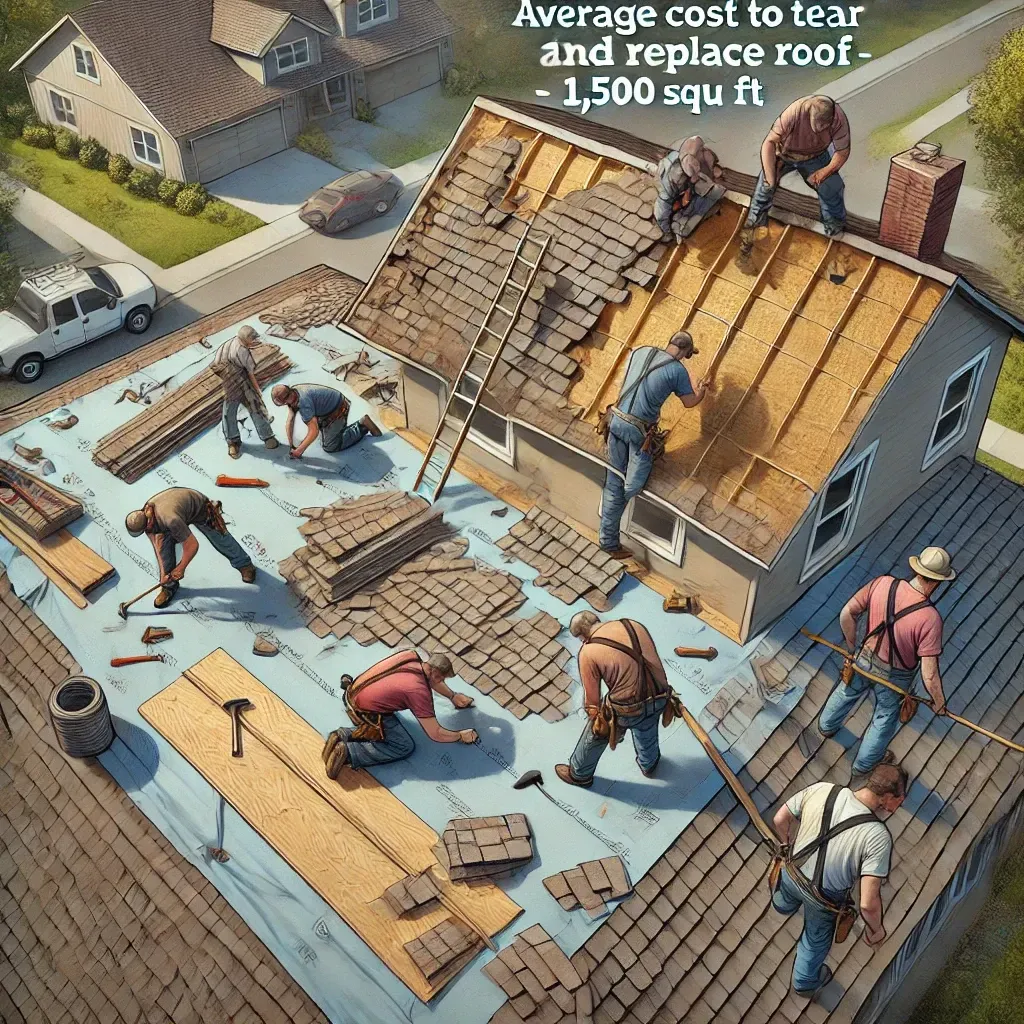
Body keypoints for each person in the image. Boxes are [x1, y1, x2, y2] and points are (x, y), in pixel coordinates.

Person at [771, 764, 906, 997]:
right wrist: (877, 930)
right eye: (899, 799)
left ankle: (782, 905)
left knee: (784, 896)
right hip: (823, 900)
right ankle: (804, 982)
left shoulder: (823, 789)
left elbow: (780, 818)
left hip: (791, 874)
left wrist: (786, 846)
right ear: (886, 798)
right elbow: (867, 903)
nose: (900, 804)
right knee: (815, 942)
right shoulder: (877, 836)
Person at [817, 547, 952, 778]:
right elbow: (929, 674)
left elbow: (847, 613)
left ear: (916, 569)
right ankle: (863, 766)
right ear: (937, 582)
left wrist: (852, 649)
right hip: (895, 677)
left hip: (865, 659)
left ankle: (826, 727)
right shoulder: (930, 619)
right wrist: (939, 703)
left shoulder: (882, 584)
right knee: (884, 718)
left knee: (847, 691)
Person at [599, 331, 711, 559]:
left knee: (613, 481)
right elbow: (690, 402)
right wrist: (702, 390)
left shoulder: (640, 351)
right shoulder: (678, 370)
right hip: (639, 432)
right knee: (631, 485)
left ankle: (607, 540)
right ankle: (614, 527)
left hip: (616, 419)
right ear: (686, 352)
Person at [555, 612, 674, 787]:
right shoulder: (633, 624)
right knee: (647, 729)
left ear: (582, 636)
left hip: (627, 709)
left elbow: (592, 701)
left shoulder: (588, 651)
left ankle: (579, 774)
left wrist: (596, 718)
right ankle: (649, 765)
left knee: (596, 734)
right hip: (661, 697)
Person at [322, 651, 477, 777]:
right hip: (364, 712)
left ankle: (342, 735)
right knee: (403, 746)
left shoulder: (410, 656)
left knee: (389, 718)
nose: (441, 682)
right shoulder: (417, 690)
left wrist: (452, 696)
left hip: (351, 692)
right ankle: (348, 752)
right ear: (435, 673)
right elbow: (435, 733)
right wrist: (460, 735)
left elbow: (432, 680)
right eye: (442, 678)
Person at [741, 95, 851, 259]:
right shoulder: (794, 112)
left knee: (833, 188)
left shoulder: (839, 119)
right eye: (818, 125)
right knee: (764, 190)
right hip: (784, 154)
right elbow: (769, 143)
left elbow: (842, 151)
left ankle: (834, 231)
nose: (821, 129)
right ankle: (751, 234)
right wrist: (770, 178)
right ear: (810, 115)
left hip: (816, 156)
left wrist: (824, 171)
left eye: (825, 126)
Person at [125, 488, 256, 608]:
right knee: (165, 550)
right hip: (176, 513)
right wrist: (164, 577)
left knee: (220, 539)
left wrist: (181, 568)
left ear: (148, 522)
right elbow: (158, 548)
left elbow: (192, 545)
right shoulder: (146, 519)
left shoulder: (171, 519)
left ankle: (245, 565)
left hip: (199, 509)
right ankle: (168, 587)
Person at [211, 324, 279, 459]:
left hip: (228, 380)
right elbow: (251, 373)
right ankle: (266, 437)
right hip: (238, 381)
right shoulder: (243, 351)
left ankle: (233, 442)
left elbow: (215, 366)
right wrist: (257, 390)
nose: (254, 341)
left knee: (228, 412)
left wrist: (226, 379)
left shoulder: (227, 343)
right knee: (255, 406)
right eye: (252, 339)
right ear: (246, 339)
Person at [271, 383, 381, 460]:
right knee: (321, 429)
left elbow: (313, 431)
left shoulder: (304, 403)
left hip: (338, 409)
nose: (286, 405)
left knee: (330, 446)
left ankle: (362, 425)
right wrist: (291, 444)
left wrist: (299, 451)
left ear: (288, 396)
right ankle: (332, 426)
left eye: (284, 403)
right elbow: (290, 420)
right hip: (328, 408)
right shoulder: (294, 393)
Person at [654, 135, 725, 243]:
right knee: (663, 212)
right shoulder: (672, 180)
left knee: (700, 202)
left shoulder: (694, 156)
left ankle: (671, 230)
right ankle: (667, 232)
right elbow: (668, 204)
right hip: (672, 191)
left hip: (695, 186)